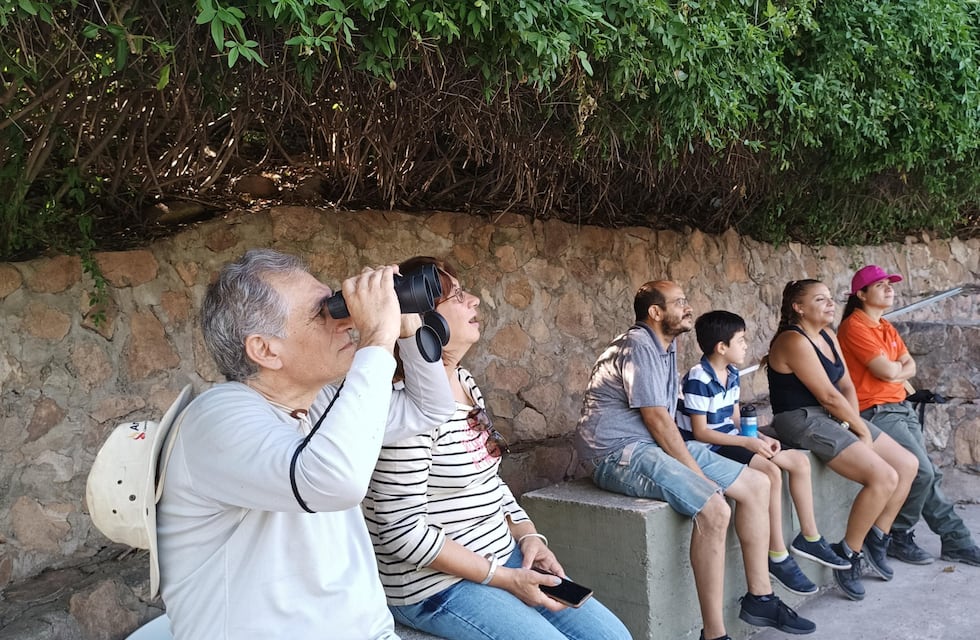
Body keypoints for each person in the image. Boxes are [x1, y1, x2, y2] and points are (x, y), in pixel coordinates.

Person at [156, 249, 455, 640]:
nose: (344, 320)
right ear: (265, 349)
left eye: (335, 304)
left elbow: (429, 408)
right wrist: (376, 339)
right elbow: (335, 481)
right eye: (322, 313)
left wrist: (406, 325)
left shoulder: (318, 402)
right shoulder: (215, 418)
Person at [364, 256, 632, 640]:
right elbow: (401, 533)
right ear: (423, 320)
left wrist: (530, 538)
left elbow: (488, 481)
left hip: (503, 556)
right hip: (437, 586)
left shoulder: (464, 381)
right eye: (457, 296)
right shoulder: (404, 407)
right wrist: (504, 578)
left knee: (614, 637)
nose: (474, 300)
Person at [576, 281, 815, 640]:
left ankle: (761, 597)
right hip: (618, 452)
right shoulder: (638, 344)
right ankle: (714, 634)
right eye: (679, 303)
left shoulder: (666, 345)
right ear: (655, 312)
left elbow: (664, 424)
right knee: (714, 507)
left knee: (758, 484)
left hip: (652, 444)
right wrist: (696, 475)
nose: (688, 308)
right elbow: (657, 419)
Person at [765, 279, 918, 601]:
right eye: (820, 299)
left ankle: (877, 536)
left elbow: (846, 387)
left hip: (834, 414)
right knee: (884, 477)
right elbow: (827, 395)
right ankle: (849, 552)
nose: (830, 304)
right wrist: (858, 429)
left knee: (907, 464)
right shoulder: (793, 340)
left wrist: (853, 421)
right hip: (801, 418)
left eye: (830, 298)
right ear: (798, 307)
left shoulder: (828, 335)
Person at [679, 310, 849, 598]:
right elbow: (701, 432)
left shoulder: (731, 373)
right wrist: (747, 444)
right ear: (721, 347)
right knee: (770, 471)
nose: (746, 345)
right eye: (741, 340)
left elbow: (734, 419)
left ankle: (809, 537)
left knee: (797, 461)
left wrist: (760, 437)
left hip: (732, 438)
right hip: (710, 446)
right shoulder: (698, 378)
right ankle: (777, 554)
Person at [837, 264, 980, 566]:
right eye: (880, 285)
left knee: (930, 474)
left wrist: (897, 372)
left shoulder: (885, 327)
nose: (889, 288)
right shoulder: (855, 327)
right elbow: (888, 371)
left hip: (900, 407)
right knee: (923, 472)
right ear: (861, 294)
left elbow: (908, 367)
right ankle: (897, 534)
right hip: (875, 411)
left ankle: (955, 540)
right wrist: (896, 371)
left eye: (890, 283)